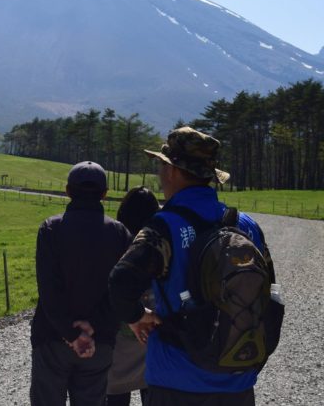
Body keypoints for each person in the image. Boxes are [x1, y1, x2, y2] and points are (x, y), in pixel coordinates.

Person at [109, 127, 275, 406]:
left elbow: (121, 281)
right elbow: (267, 293)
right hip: (238, 381)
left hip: (176, 379)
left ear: (172, 170)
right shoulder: (246, 226)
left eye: (161, 165)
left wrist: (138, 317)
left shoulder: (163, 226)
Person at [30, 161, 133, 406]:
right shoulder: (120, 233)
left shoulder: (51, 229)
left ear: (67, 191)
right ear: (105, 194)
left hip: (52, 338)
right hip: (100, 340)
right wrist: (92, 328)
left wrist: (71, 332)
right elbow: (121, 290)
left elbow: (48, 289)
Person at [106, 187, 160, 406]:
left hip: (118, 343)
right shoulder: (158, 244)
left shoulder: (114, 240)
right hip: (152, 339)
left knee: (116, 396)